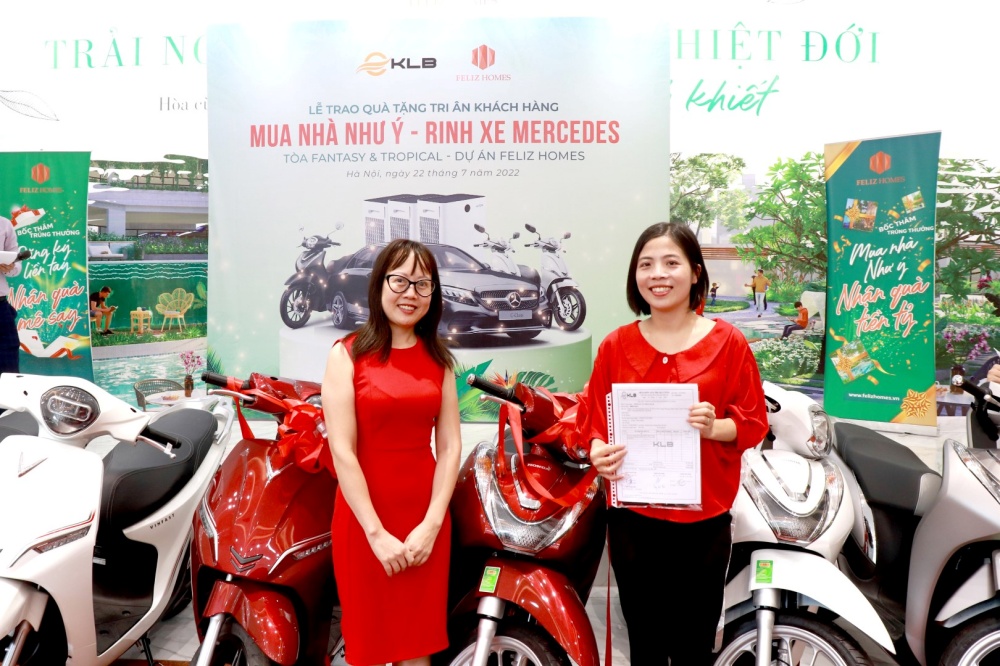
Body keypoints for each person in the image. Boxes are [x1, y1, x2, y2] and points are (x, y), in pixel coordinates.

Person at [582, 222, 769, 665]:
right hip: (633, 521)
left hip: (702, 523)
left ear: (696, 272)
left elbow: (753, 422)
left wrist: (715, 427)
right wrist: (596, 450)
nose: (657, 274)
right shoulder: (615, 346)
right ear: (635, 276)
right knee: (644, 645)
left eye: (671, 263)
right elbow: (592, 420)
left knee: (693, 647)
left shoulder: (728, 343)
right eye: (646, 264)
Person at [322, 238, 462, 666]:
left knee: (417, 650)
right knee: (370, 648)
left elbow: (450, 447)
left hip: (425, 522)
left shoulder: (440, 360)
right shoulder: (347, 354)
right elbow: (342, 450)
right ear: (379, 285)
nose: (410, 293)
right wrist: (376, 534)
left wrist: (432, 525)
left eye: (423, 284)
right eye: (399, 280)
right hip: (364, 523)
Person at [0, 216, 21, 374]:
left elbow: (16, 263)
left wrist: (11, 267)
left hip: (0, 307)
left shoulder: (4, 224)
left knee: (8, 367)